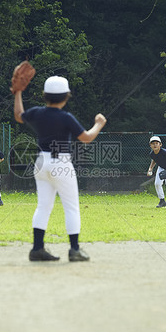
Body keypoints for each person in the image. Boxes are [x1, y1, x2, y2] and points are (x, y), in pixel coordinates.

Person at [13, 75, 107, 262]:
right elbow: (86, 138)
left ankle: (37, 249)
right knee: (71, 207)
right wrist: (99, 124)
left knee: (43, 206)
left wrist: (18, 92)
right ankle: (74, 250)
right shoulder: (65, 117)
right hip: (60, 162)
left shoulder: (37, 113)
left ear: (44, 95)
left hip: (41, 162)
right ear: (66, 97)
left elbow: (18, 116)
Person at [147, 136, 166, 208]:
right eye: (153, 143)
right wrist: (150, 168)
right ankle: (162, 201)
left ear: (160, 144)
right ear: (150, 145)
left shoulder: (164, 152)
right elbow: (154, 160)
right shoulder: (152, 154)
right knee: (157, 184)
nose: (155, 145)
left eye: (156, 143)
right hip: (161, 167)